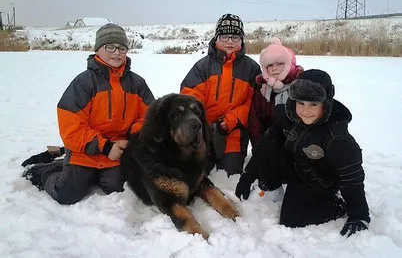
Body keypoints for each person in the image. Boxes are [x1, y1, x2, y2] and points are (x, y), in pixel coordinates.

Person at [23, 23, 155, 205]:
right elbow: (71, 127)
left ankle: (83, 172)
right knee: (67, 193)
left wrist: (131, 140)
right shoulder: (83, 84)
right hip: (84, 152)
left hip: (118, 152)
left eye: (122, 48)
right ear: (98, 49)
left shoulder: (137, 84)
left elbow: (149, 118)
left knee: (116, 187)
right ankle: (43, 172)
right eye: (110, 46)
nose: (117, 52)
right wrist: (105, 147)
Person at [235, 69, 370, 237]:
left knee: (291, 220)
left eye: (313, 104)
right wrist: (247, 177)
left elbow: (353, 177)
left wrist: (359, 215)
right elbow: (264, 147)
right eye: (301, 103)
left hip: (319, 182)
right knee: (271, 140)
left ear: (326, 103)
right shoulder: (288, 116)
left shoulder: (337, 137)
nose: (305, 111)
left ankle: (336, 204)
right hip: (297, 168)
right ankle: (271, 188)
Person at [180, 13, 261, 176]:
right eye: (224, 36)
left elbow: (255, 103)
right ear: (216, 38)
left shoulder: (252, 69)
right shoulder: (202, 67)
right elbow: (189, 97)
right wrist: (202, 123)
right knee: (197, 173)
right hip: (203, 132)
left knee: (230, 174)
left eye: (235, 36)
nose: (230, 41)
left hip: (234, 133)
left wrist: (230, 120)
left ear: (242, 40)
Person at [249, 37, 303, 150]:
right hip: (269, 144)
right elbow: (255, 124)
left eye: (279, 64)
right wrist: (259, 149)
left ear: (289, 64)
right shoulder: (261, 91)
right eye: (270, 65)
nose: (274, 69)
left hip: (297, 145)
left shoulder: (300, 87)